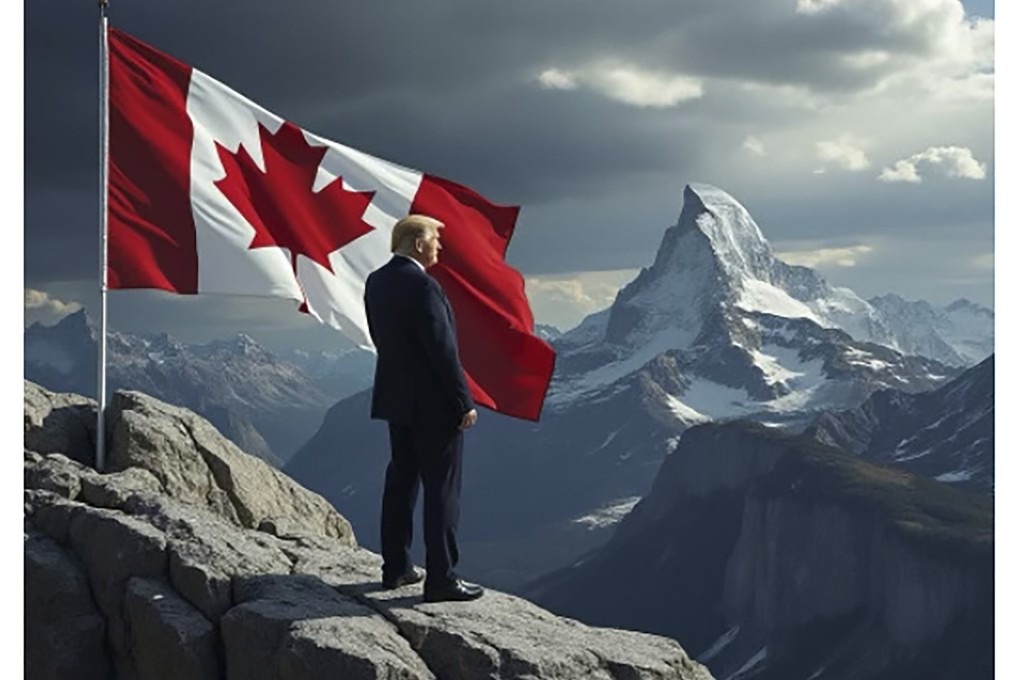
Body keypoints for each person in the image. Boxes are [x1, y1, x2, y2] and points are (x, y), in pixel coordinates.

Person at [363, 213, 484, 603]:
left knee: (400, 481)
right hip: (433, 405)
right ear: (417, 243)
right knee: (442, 490)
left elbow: (381, 338)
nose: (440, 247)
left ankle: (395, 568)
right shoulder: (424, 287)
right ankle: (441, 579)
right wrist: (461, 399)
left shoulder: (375, 281)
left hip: (395, 398)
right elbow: (442, 349)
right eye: (435, 240)